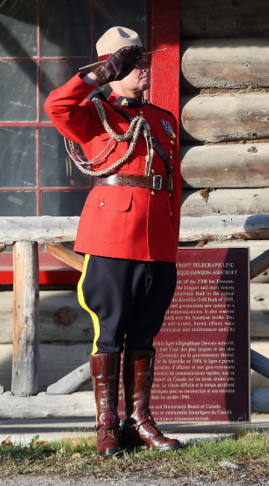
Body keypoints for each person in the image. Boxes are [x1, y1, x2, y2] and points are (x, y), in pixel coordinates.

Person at [44, 26, 182, 455]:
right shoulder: (93, 113)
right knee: (110, 333)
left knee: (145, 333)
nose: (145, 69)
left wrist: (171, 240)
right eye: (134, 62)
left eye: (144, 61)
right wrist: (97, 77)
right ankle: (107, 424)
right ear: (112, 67)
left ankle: (139, 421)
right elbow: (56, 104)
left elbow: (170, 184)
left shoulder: (163, 118)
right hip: (112, 239)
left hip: (157, 240)